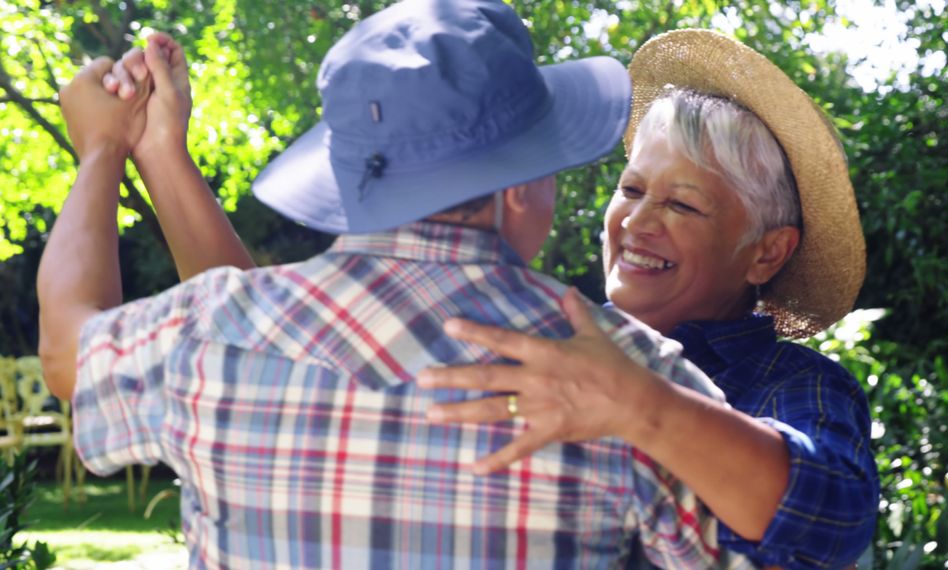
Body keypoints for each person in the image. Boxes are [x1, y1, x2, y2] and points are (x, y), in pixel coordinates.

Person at [37, 1, 756, 567]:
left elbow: (69, 350)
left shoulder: (210, 333)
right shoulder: (631, 383)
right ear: (516, 189)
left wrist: (104, 151)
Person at [418, 30, 878, 569]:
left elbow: (834, 524)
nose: (636, 223)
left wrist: (642, 405)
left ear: (767, 254)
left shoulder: (793, 382)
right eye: (632, 190)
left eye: (682, 206)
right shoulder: (549, 343)